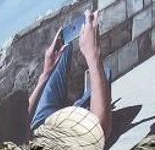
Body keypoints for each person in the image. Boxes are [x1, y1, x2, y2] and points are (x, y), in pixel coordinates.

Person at [28, 9, 112, 137]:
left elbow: (22, 118)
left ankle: (80, 107)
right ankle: (81, 108)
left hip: (38, 123)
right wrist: (93, 55)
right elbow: (100, 132)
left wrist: (45, 74)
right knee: (105, 73)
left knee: (65, 47)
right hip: (55, 136)